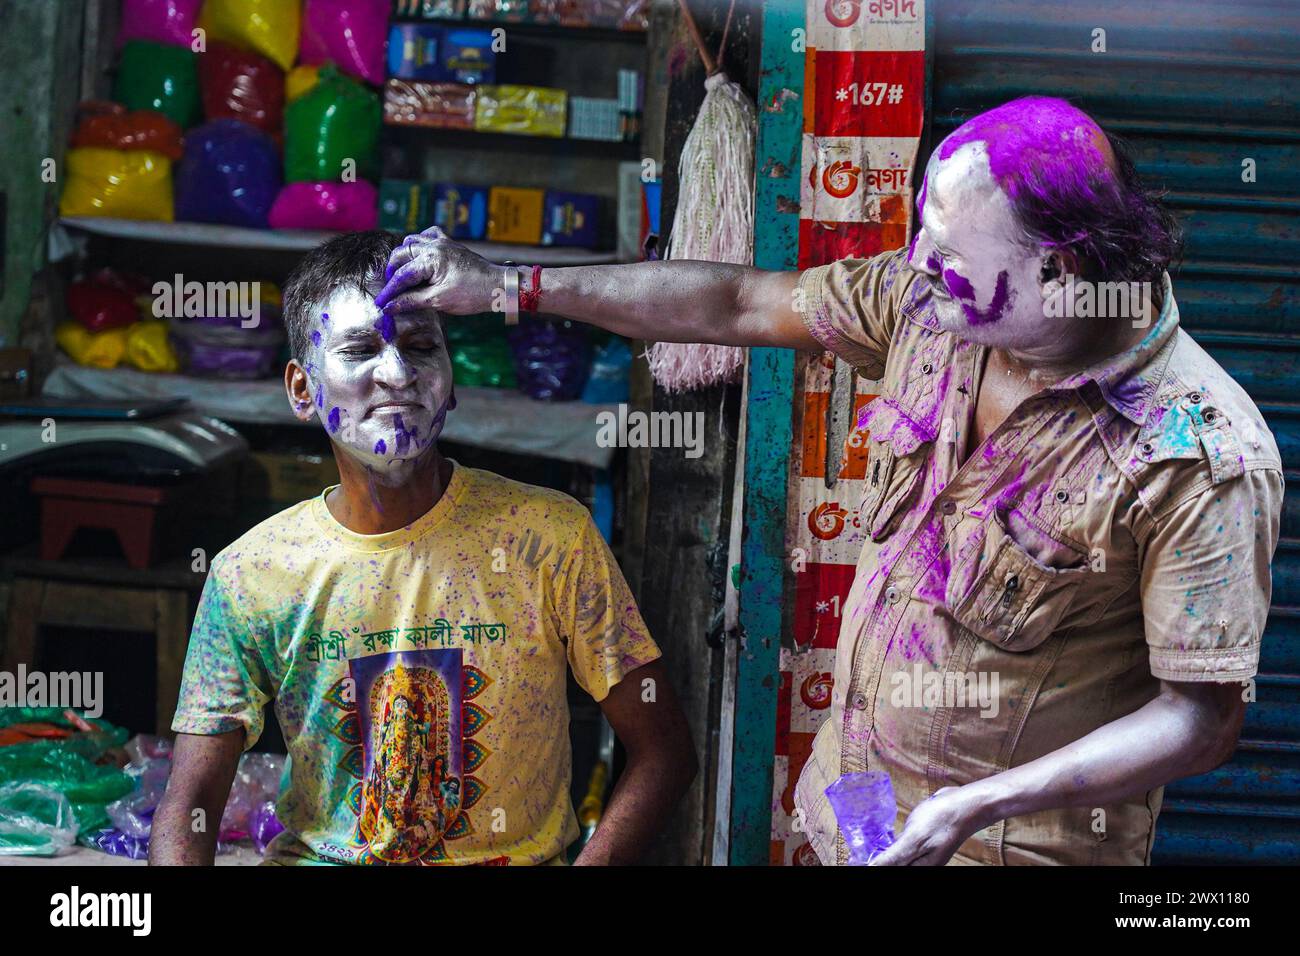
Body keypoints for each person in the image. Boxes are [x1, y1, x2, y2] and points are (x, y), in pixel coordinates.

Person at [372, 96, 1283, 866]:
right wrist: (509, 286)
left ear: (1064, 268)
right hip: (854, 818)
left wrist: (980, 804)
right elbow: (737, 302)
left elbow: (1199, 719)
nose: (922, 272)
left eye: (954, 257)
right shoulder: (935, 307)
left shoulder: (1194, 454)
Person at [150, 231, 696, 866]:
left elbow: (664, 753)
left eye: (420, 348)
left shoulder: (549, 537)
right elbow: (191, 798)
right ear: (302, 391)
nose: (398, 374)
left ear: (451, 382)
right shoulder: (252, 572)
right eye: (358, 349)